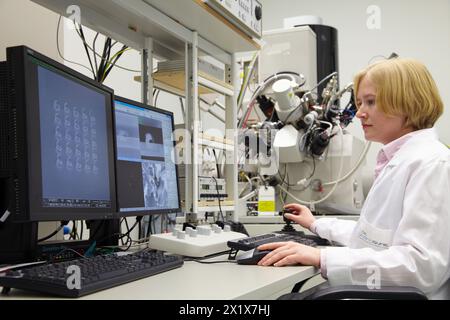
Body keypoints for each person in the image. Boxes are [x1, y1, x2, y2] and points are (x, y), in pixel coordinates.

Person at [257, 58, 450, 299]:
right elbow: (374, 239)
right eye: (359, 103)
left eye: (370, 102)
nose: (359, 113)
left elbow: (420, 268)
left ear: (407, 102)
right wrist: (316, 224)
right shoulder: (402, 159)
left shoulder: (432, 164)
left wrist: (322, 257)